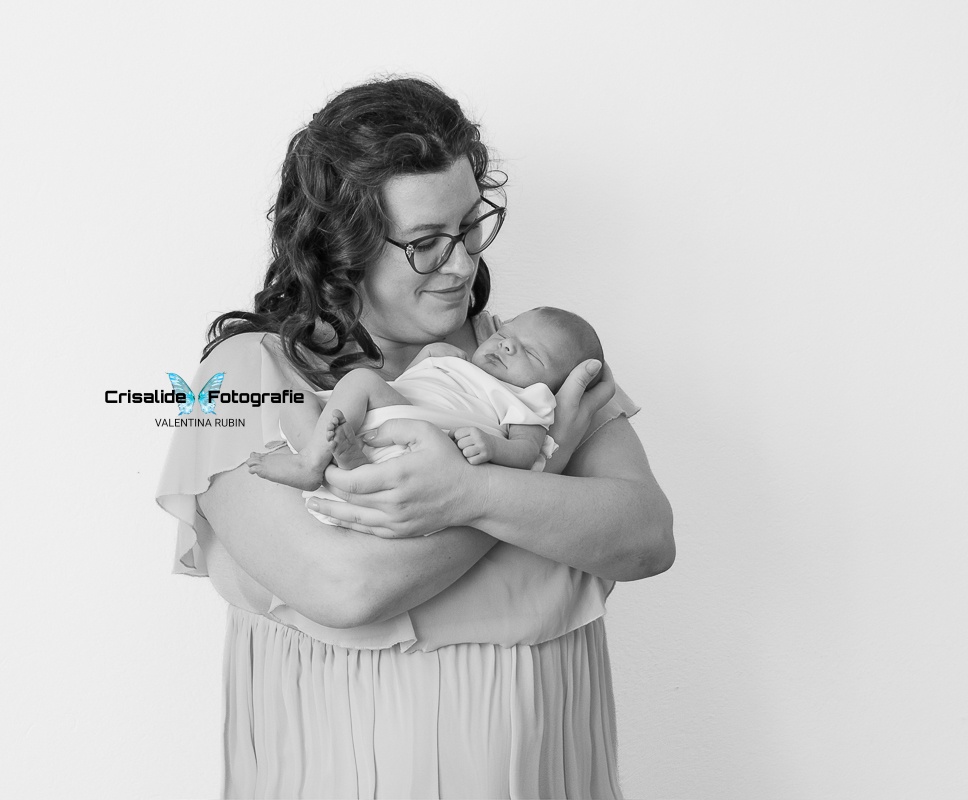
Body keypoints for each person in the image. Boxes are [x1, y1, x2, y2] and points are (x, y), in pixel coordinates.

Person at [155, 76, 674, 799]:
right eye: (427, 242)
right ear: (344, 243)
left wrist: (474, 489)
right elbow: (345, 584)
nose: (462, 263)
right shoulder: (245, 376)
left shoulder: (531, 364)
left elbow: (647, 536)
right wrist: (533, 475)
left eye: (469, 227)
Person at [246, 306, 604, 494]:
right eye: (506, 335)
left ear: (552, 385)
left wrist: (493, 448)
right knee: (295, 400)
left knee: (360, 380)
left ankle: (313, 463)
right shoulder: (458, 361)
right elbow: (407, 385)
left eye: (530, 353)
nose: (507, 345)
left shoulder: (528, 398)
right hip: (387, 414)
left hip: (427, 437)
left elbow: (528, 453)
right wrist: (427, 358)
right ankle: (340, 459)